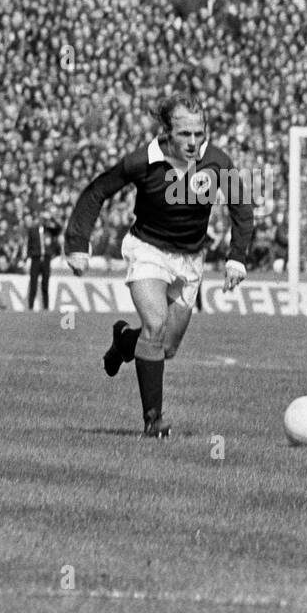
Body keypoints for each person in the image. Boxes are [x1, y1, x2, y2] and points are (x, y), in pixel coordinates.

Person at [64, 93, 254, 437]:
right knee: (154, 324)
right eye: (185, 134)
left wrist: (237, 258)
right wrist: (77, 243)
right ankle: (154, 421)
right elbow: (97, 191)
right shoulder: (143, 160)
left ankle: (124, 341)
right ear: (167, 131)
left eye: (199, 133)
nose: (194, 142)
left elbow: (241, 206)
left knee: (167, 347)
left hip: (190, 258)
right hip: (147, 249)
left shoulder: (216, 161)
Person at [25, 216, 61, 310]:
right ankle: (30, 307)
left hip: (46, 259)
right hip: (36, 259)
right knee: (33, 284)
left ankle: (46, 307)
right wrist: (28, 257)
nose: (41, 221)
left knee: (45, 284)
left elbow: (59, 229)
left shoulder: (49, 231)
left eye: (43, 220)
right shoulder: (32, 231)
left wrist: (52, 218)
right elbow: (29, 245)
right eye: (40, 219)